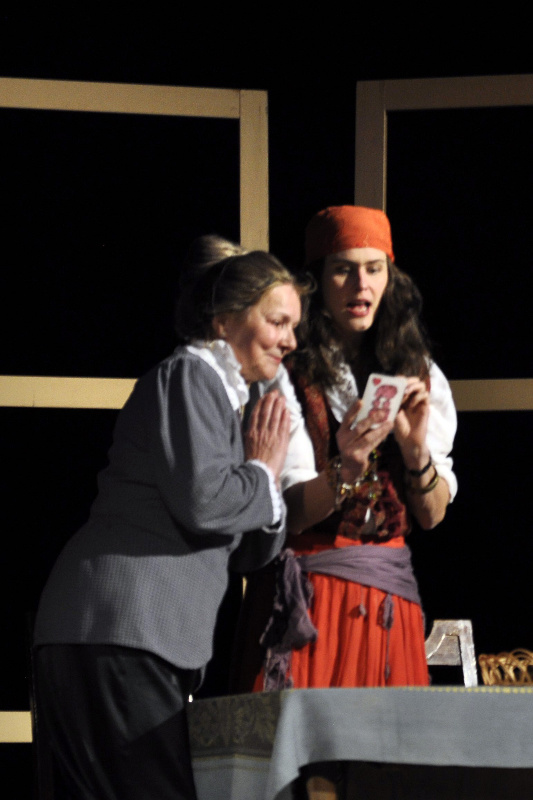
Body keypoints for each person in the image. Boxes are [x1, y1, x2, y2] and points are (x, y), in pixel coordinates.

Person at [33, 236, 308, 800]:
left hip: (120, 637)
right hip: (118, 628)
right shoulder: (191, 376)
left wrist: (266, 476)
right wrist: (260, 471)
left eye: (294, 326)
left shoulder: (228, 401)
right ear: (225, 319)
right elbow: (206, 502)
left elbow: (248, 549)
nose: (291, 340)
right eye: (278, 322)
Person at [231, 205, 458, 696]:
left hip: (388, 602)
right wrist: (347, 467)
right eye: (343, 270)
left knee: (384, 745)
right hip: (311, 599)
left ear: (390, 278)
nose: (361, 285)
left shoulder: (419, 373)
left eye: (374, 269)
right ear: (316, 281)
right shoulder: (286, 373)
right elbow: (290, 513)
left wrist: (415, 455)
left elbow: (432, 515)